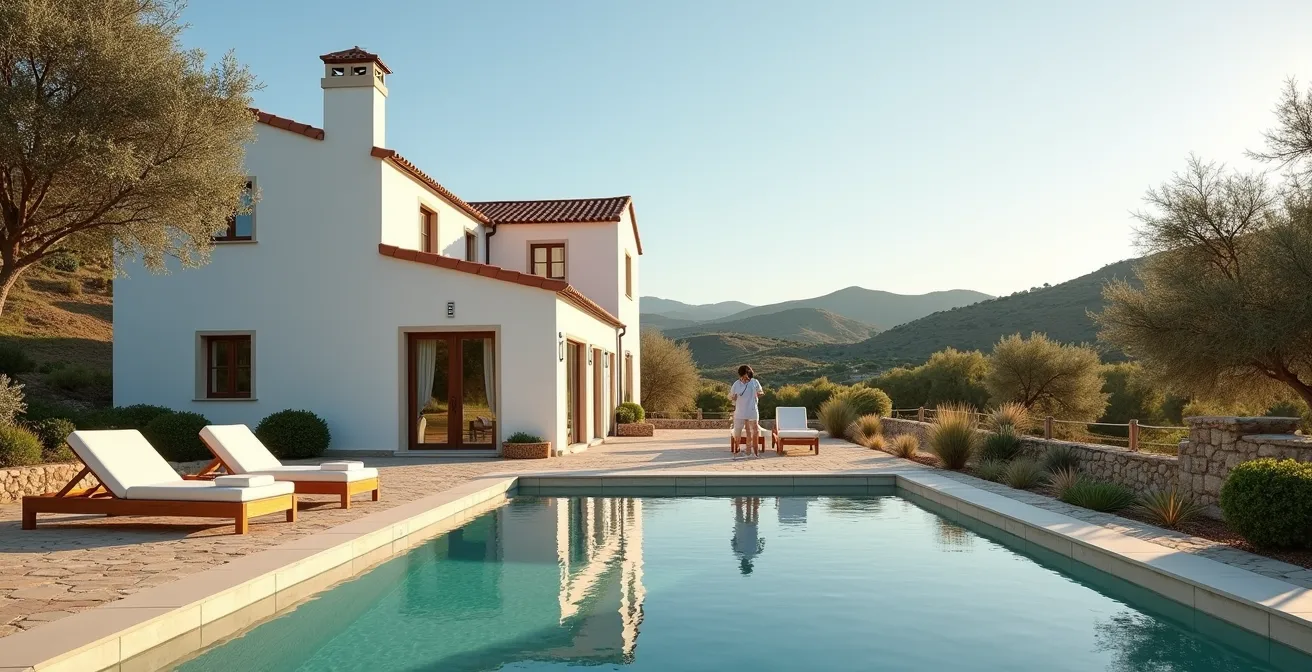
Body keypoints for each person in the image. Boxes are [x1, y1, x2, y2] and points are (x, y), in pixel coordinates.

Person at [729, 364, 764, 457]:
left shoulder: (754, 382)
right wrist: (733, 397)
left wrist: (758, 393)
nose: (746, 377)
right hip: (740, 411)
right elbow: (731, 396)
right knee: (738, 432)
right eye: (744, 375)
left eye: (748, 375)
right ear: (741, 375)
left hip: (752, 410)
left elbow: (761, 392)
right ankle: (737, 450)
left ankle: (756, 452)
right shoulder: (736, 384)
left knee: (755, 431)